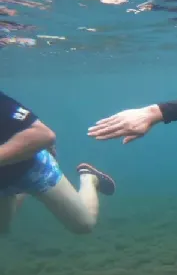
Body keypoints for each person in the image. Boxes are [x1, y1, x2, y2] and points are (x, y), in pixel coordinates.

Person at [0, 90, 116, 235]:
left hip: (31, 168)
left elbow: (44, 135)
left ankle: (88, 177)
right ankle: (20, 190)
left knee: (84, 225)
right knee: (2, 230)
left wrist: (36, 142)